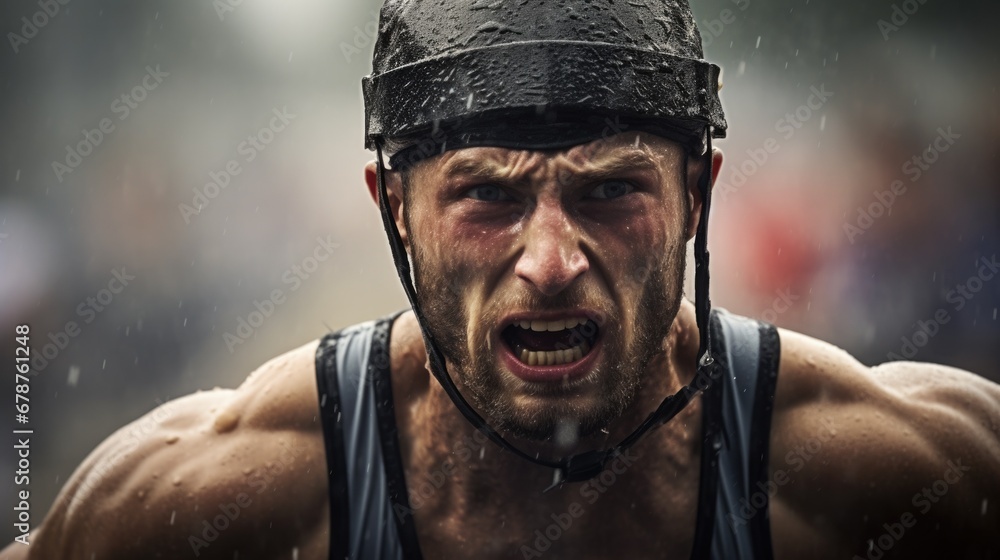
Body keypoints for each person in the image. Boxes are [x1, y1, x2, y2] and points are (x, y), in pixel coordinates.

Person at [3, 0, 999, 558]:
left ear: (698, 193)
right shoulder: (222, 493)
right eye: (486, 196)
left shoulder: (890, 471)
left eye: (609, 190)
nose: (552, 260)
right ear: (394, 207)